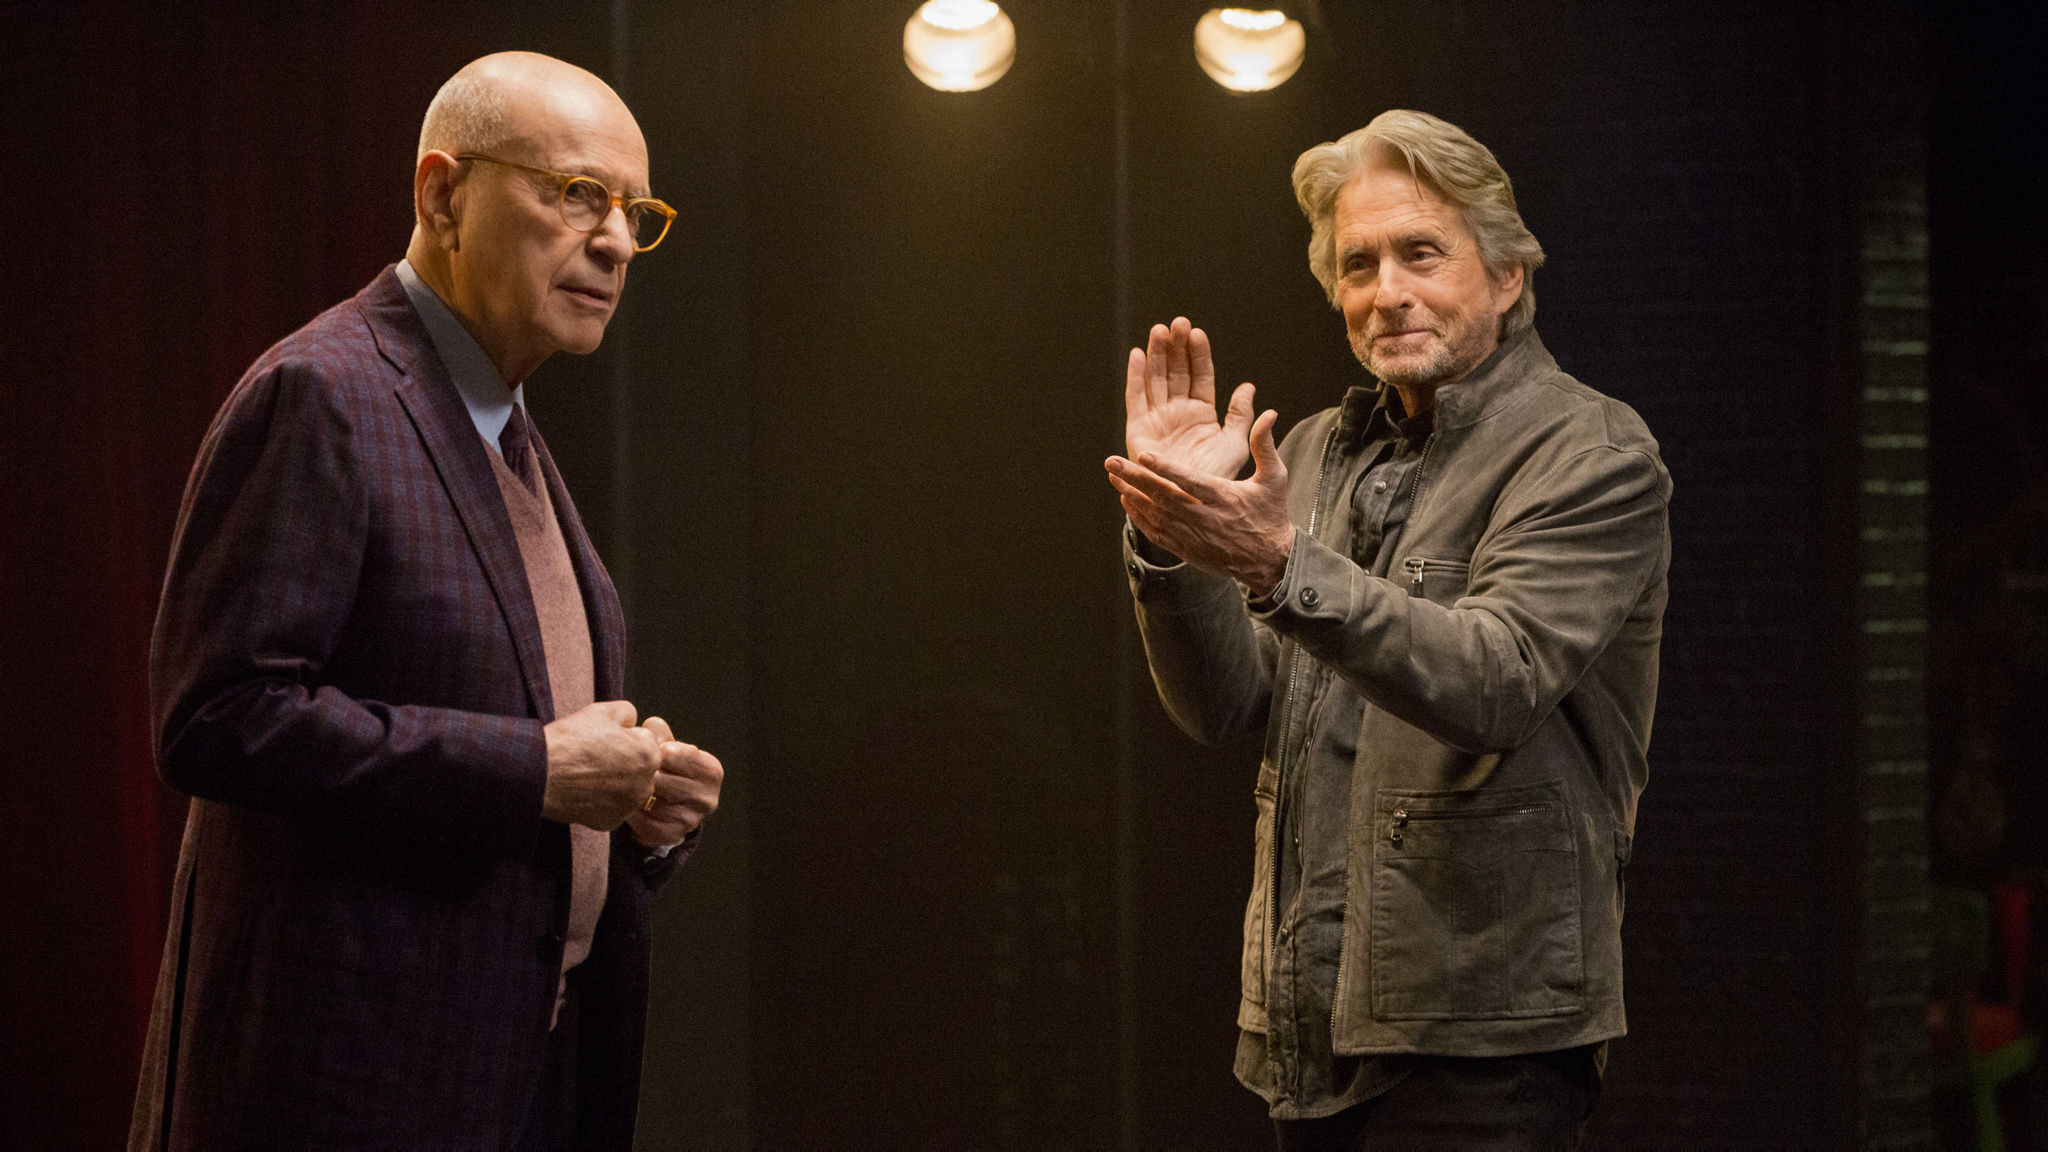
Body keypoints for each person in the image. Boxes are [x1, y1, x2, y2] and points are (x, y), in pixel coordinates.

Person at [128, 52, 723, 1150]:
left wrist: (630, 813)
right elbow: (218, 718)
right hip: (354, 1093)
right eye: (576, 194)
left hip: (517, 1077)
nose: (613, 241)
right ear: (443, 195)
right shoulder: (325, 394)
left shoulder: (508, 429)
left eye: (636, 213)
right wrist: (537, 770)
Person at [1104, 109, 1670, 1148]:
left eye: (1421, 253)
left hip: (1483, 1033)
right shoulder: (1316, 448)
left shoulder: (1590, 452)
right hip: (1306, 1021)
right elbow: (1224, 707)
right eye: (1357, 265)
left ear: (1506, 274)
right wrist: (1173, 534)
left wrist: (1278, 565)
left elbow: (1494, 680)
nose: (1386, 291)